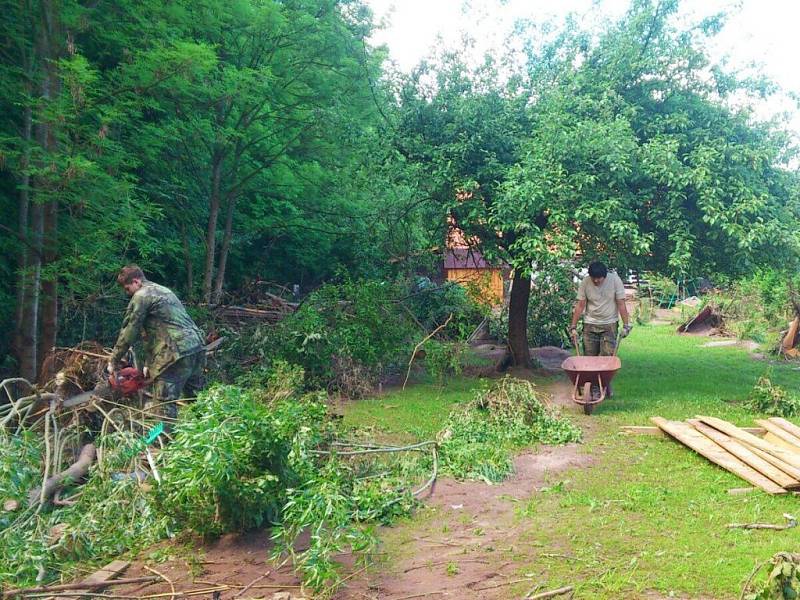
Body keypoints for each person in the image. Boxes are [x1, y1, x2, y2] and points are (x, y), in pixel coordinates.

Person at [108, 265, 206, 419]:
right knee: (198, 400)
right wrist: (149, 363)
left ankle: (162, 442)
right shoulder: (163, 290)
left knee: (163, 406)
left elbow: (129, 331)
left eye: (127, 289)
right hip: (196, 347)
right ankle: (211, 435)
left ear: (136, 281)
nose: (127, 294)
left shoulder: (141, 296)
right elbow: (155, 332)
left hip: (176, 353)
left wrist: (113, 360)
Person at [569, 261, 632, 360]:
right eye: (593, 278)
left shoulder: (615, 281)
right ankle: (590, 376)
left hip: (609, 324)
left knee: (607, 357)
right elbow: (580, 305)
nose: (596, 280)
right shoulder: (585, 282)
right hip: (590, 324)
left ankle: (603, 376)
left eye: (599, 278)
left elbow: (621, 304)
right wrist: (573, 327)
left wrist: (626, 326)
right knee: (589, 358)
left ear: (605, 276)